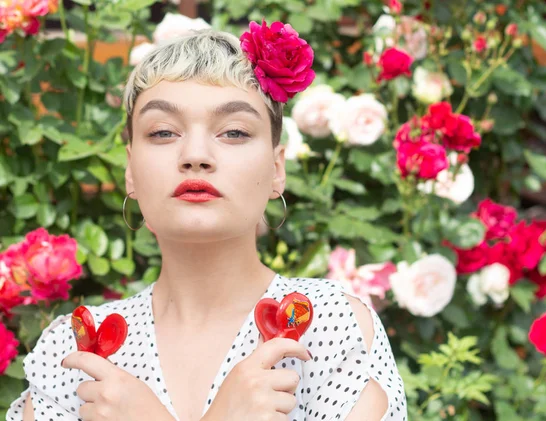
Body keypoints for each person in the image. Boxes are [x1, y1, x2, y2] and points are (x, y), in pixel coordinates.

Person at [7, 22, 407, 421]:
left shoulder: (330, 327)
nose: (195, 154)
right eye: (163, 132)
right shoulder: (73, 352)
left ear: (276, 168)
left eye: (233, 132)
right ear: (130, 169)